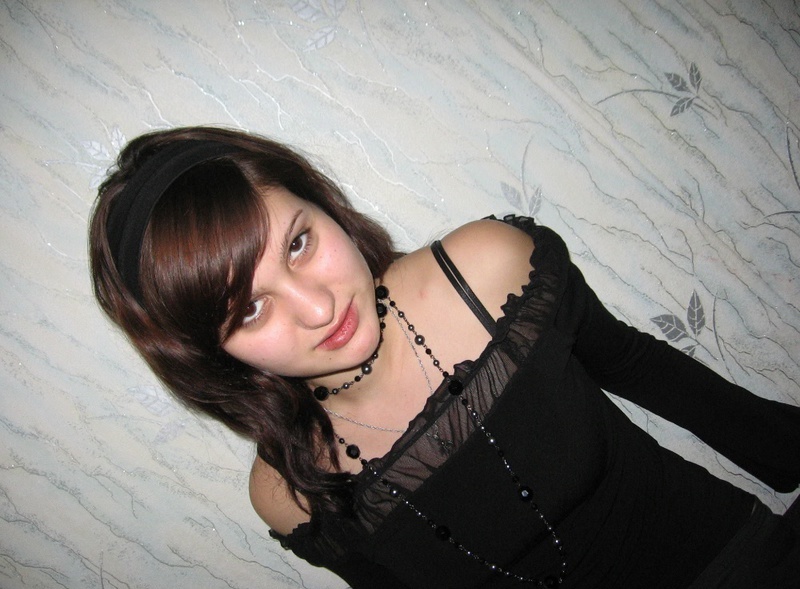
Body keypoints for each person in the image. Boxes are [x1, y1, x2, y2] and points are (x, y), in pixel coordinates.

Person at [89, 126, 800, 588]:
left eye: (298, 243)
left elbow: (640, 367)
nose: (317, 307)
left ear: (323, 203)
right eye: (248, 308)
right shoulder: (290, 495)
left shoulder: (487, 273)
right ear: (210, 355)